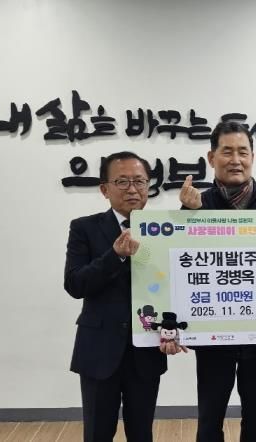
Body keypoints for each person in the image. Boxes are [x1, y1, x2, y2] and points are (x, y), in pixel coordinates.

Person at [180, 121, 256, 442]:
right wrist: (188, 213)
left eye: (243, 152)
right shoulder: (197, 205)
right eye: (227, 152)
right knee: (209, 417)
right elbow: (181, 266)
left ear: (252, 157)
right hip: (212, 337)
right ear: (211, 157)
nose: (236, 160)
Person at [64, 151, 182, 442]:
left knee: (141, 433)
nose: (132, 189)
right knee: (97, 433)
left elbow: (178, 286)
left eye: (139, 181)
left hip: (146, 351)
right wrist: (114, 255)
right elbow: (75, 284)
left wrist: (174, 330)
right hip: (99, 348)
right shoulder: (84, 228)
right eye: (122, 181)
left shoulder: (165, 229)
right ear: (105, 189)